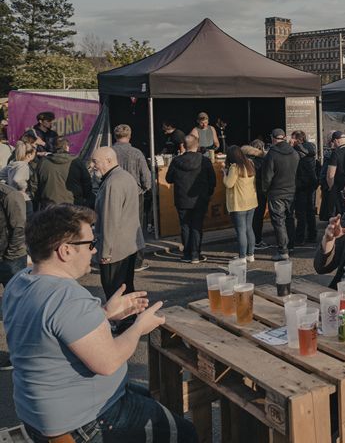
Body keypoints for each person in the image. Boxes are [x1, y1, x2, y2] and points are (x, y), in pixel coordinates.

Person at [2, 204, 198, 442]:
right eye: (90, 244)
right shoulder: (67, 297)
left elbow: (51, 330)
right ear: (65, 250)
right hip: (85, 421)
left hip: (39, 413)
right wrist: (139, 327)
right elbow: (108, 363)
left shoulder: (20, 282)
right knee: (186, 433)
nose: (94, 251)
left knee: (149, 396)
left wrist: (104, 314)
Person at [91, 147, 145, 326]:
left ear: (108, 160)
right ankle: (130, 322)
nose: (93, 166)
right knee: (125, 287)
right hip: (128, 245)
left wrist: (105, 252)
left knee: (115, 290)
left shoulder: (113, 182)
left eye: (95, 162)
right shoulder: (124, 176)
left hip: (115, 249)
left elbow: (109, 220)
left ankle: (124, 324)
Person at [165, 134, 216, 263]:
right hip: (199, 199)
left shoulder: (176, 161)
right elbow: (212, 180)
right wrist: (208, 194)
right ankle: (195, 254)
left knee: (185, 226)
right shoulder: (204, 161)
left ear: (183, 146)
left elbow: (168, 179)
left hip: (182, 198)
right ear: (197, 145)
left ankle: (187, 254)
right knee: (197, 226)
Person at [112, 124, 152, 271]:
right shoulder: (136, 153)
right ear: (129, 136)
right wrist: (146, 188)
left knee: (116, 226)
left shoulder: (109, 152)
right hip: (135, 194)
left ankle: (117, 260)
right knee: (136, 226)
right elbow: (146, 177)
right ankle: (137, 262)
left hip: (114, 194)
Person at [262, 128, 300, 261]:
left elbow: (267, 176)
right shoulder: (294, 152)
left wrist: (265, 190)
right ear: (284, 137)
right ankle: (290, 246)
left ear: (273, 138)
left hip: (276, 192)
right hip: (291, 191)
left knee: (279, 221)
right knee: (289, 218)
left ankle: (283, 251)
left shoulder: (272, 154)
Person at [0, 183, 26, 366]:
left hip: (11, 259)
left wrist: (10, 254)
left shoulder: (9, 195)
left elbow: (19, 228)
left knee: (17, 309)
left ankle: (19, 354)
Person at [223, 145, 258, 262]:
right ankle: (251, 255)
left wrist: (224, 174)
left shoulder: (234, 167)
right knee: (249, 228)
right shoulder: (250, 164)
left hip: (239, 203)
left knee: (241, 230)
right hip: (251, 202)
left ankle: (242, 257)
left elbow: (229, 184)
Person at [291, 130, 319, 247]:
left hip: (301, 185)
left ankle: (300, 238)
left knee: (301, 213)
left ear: (298, 139)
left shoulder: (297, 151)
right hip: (311, 184)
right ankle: (312, 235)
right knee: (310, 211)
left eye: (292, 138)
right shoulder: (311, 149)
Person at [242, 140, 268, 248]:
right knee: (258, 217)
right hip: (260, 191)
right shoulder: (264, 160)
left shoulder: (243, 159)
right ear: (261, 148)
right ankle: (257, 240)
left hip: (246, 192)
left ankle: (247, 240)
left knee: (247, 218)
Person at [0, 142, 37, 214]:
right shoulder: (24, 166)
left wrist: (10, 182)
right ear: (29, 155)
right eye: (34, 154)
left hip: (13, 197)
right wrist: (24, 187)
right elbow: (17, 179)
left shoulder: (13, 164)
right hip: (23, 198)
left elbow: (1, 175)